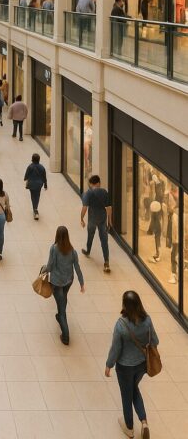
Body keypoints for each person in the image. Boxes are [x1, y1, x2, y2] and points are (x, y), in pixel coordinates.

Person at [105, 291, 158, 439]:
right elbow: (155, 341)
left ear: (125, 306)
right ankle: (144, 421)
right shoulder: (147, 321)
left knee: (126, 396)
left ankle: (129, 428)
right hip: (141, 365)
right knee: (134, 389)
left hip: (124, 368)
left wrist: (109, 365)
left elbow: (116, 348)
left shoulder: (121, 325)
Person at [45, 226, 85, 345]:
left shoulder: (54, 249)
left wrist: (44, 270)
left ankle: (66, 336)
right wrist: (82, 283)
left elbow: (50, 265)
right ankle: (60, 313)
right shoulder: (72, 251)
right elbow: (77, 268)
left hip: (57, 282)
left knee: (61, 310)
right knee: (63, 297)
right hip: (68, 281)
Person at [81, 174, 112, 273]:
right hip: (102, 219)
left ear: (90, 183)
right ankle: (106, 262)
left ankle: (88, 250)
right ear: (99, 183)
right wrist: (109, 221)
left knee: (90, 235)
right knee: (104, 241)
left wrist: (81, 218)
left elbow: (85, 207)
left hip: (92, 219)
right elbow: (109, 208)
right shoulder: (104, 192)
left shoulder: (88, 193)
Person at [24, 152, 47, 219]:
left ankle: (35, 209)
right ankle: (35, 209)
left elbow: (26, 176)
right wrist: (45, 185)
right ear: (39, 159)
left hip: (31, 184)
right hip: (39, 184)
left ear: (32, 159)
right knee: (37, 196)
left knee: (33, 196)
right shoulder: (42, 167)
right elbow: (44, 177)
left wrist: (25, 179)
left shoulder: (30, 166)